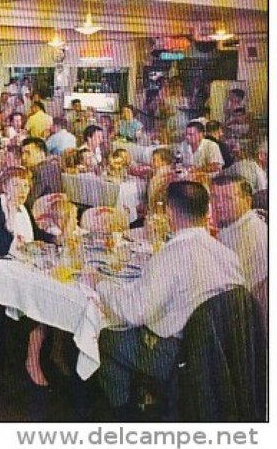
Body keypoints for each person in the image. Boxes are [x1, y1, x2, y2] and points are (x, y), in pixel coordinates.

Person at [95, 181, 245, 414]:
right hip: (221, 351)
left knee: (105, 336)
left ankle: (126, 414)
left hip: (176, 356)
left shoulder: (172, 254)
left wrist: (101, 285)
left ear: (170, 213)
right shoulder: (227, 255)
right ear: (207, 212)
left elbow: (134, 312)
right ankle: (146, 400)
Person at [211, 176, 267, 292]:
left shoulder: (250, 235)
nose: (219, 205)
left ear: (247, 201)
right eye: (215, 198)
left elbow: (230, 286)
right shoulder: (237, 224)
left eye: (228, 199)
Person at [21, 137, 63, 211]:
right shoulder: (54, 166)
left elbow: (29, 202)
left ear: (41, 153)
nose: (23, 157)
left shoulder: (39, 171)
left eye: (28, 153)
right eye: (22, 153)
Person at [147, 147, 175, 211]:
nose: (151, 163)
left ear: (164, 162)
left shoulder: (166, 178)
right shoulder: (157, 175)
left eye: (154, 160)